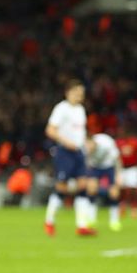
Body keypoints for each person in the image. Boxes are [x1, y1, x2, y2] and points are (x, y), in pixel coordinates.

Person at [44, 80, 94, 236]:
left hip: (78, 152)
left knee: (82, 185)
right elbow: (50, 130)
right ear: (68, 92)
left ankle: (82, 225)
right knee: (62, 187)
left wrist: (86, 143)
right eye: (77, 93)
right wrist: (67, 142)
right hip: (64, 152)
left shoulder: (80, 109)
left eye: (81, 93)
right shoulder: (61, 108)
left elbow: (80, 132)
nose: (80, 96)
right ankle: (49, 221)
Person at [84, 133, 122, 231]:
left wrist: (118, 175)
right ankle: (91, 219)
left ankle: (114, 220)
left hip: (109, 166)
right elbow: (86, 160)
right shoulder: (84, 147)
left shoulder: (106, 143)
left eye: (89, 145)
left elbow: (117, 159)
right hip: (95, 167)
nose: (88, 148)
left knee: (113, 193)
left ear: (93, 142)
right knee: (91, 189)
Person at [115, 128, 137, 218]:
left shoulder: (135, 142)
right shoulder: (118, 143)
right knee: (121, 189)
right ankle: (122, 206)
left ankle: (134, 208)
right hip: (121, 168)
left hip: (133, 168)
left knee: (134, 190)